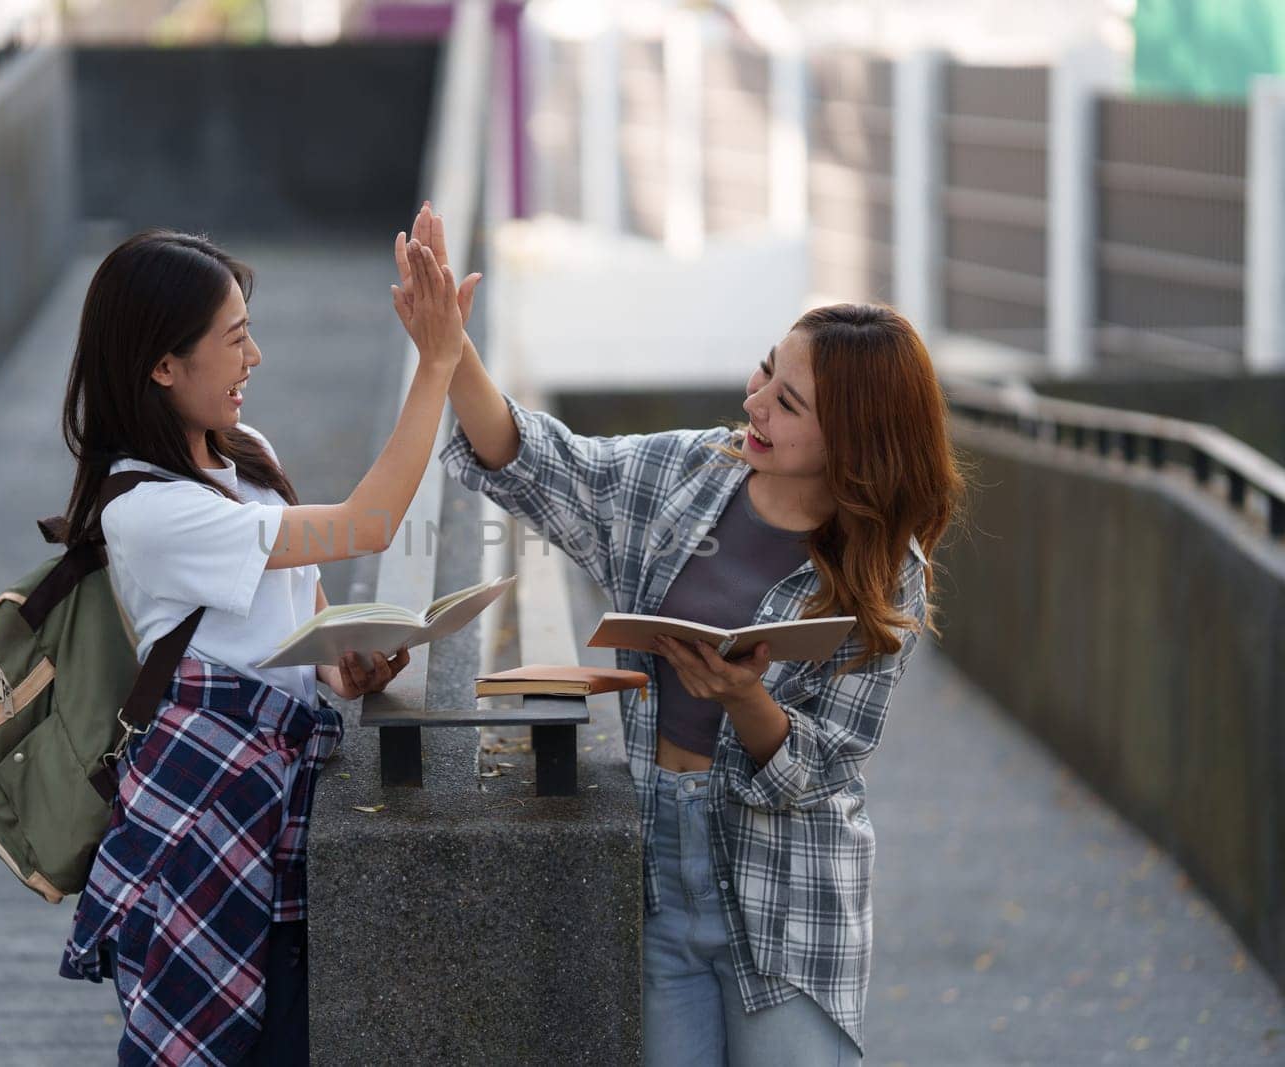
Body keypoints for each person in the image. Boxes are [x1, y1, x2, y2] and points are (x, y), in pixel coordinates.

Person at [406, 204, 966, 1065]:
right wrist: (451, 352)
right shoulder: (685, 470)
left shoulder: (888, 567)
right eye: (762, 375)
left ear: (852, 439)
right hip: (659, 870)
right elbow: (540, 462)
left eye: (787, 403)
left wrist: (748, 702)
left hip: (787, 895)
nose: (755, 406)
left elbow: (825, 764)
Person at [55, 228, 467, 1065]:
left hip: (277, 804)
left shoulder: (250, 458)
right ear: (163, 365)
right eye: (235, 339)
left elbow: (302, 628)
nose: (257, 357)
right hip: (205, 816)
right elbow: (368, 524)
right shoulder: (146, 511)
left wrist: (347, 665)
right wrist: (435, 367)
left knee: (282, 1039)